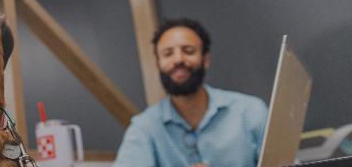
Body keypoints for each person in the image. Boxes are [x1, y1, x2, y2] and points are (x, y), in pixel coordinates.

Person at [113, 18, 268, 167]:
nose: (178, 59)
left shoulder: (250, 111)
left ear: (205, 60)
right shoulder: (145, 127)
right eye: (168, 53)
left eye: (188, 51)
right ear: (158, 64)